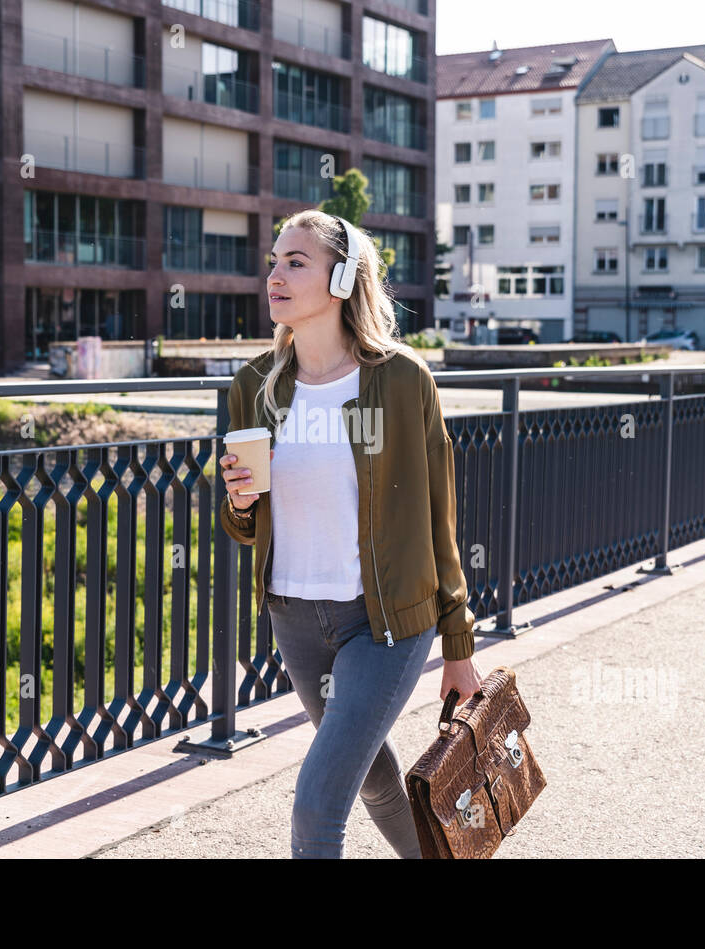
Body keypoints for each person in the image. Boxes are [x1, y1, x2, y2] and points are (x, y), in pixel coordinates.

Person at [218, 209, 484, 858]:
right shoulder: (253, 386)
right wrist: (240, 500)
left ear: (341, 279)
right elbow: (244, 526)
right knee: (373, 780)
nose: (275, 274)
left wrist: (459, 643)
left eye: (295, 262)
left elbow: (436, 516)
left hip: (385, 621)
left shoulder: (400, 380)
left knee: (316, 801)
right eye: (273, 262)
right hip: (295, 617)